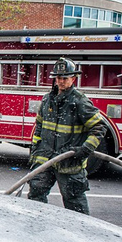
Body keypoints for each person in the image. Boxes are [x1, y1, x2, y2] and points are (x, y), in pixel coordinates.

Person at [27, 57, 107, 215]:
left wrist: (85, 149)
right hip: (45, 160)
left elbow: (99, 126)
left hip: (69, 162)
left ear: (73, 78)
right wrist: (35, 150)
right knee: (36, 197)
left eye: (64, 78)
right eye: (58, 78)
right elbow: (39, 126)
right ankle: (36, 229)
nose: (61, 81)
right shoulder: (48, 100)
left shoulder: (80, 102)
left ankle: (81, 233)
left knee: (75, 203)